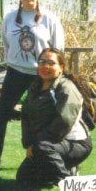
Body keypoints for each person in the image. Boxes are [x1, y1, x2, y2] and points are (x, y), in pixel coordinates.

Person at [0, 0, 65, 185]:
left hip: (40, 75)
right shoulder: (9, 18)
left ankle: (41, 161)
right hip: (15, 72)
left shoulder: (50, 20)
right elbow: (7, 45)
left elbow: (58, 51)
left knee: (40, 118)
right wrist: (14, 62)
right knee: (1, 114)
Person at [16, 48, 92, 190]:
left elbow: (63, 122)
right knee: (24, 179)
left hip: (75, 143)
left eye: (51, 63)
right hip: (47, 143)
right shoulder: (35, 86)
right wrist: (28, 144)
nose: (45, 66)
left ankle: (73, 184)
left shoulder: (67, 88)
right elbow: (25, 115)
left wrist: (37, 144)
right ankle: (66, 170)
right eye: (42, 62)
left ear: (61, 67)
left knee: (42, 148)